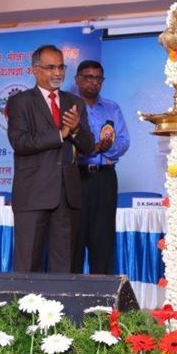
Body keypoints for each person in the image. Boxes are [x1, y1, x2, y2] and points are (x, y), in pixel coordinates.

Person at [7, 45, 94, 273]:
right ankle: (24, 310)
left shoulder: (75, 103)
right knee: (28, 265)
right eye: (51, 67)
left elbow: (88, 147)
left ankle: (58, 309)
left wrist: (75, 130)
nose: (58, 73)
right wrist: (59, 134)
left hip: (66, 196)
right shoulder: (20, 102)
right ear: (35, 70)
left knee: (63, 266)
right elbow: (20, 142)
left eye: (61, 67)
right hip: (32, 194)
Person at [71, 60, 130, 275]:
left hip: (105, 178)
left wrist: (105, 149)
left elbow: (124, 141)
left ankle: (102, 300)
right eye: (88, 77)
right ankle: (71, 298)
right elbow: (65, 144)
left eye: (98, 78)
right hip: (76, 177)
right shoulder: (69, 107)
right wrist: (92, 149)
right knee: (74, 238)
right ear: (77, 79)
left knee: (103, 238)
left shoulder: (112, 108)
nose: (93, 82)